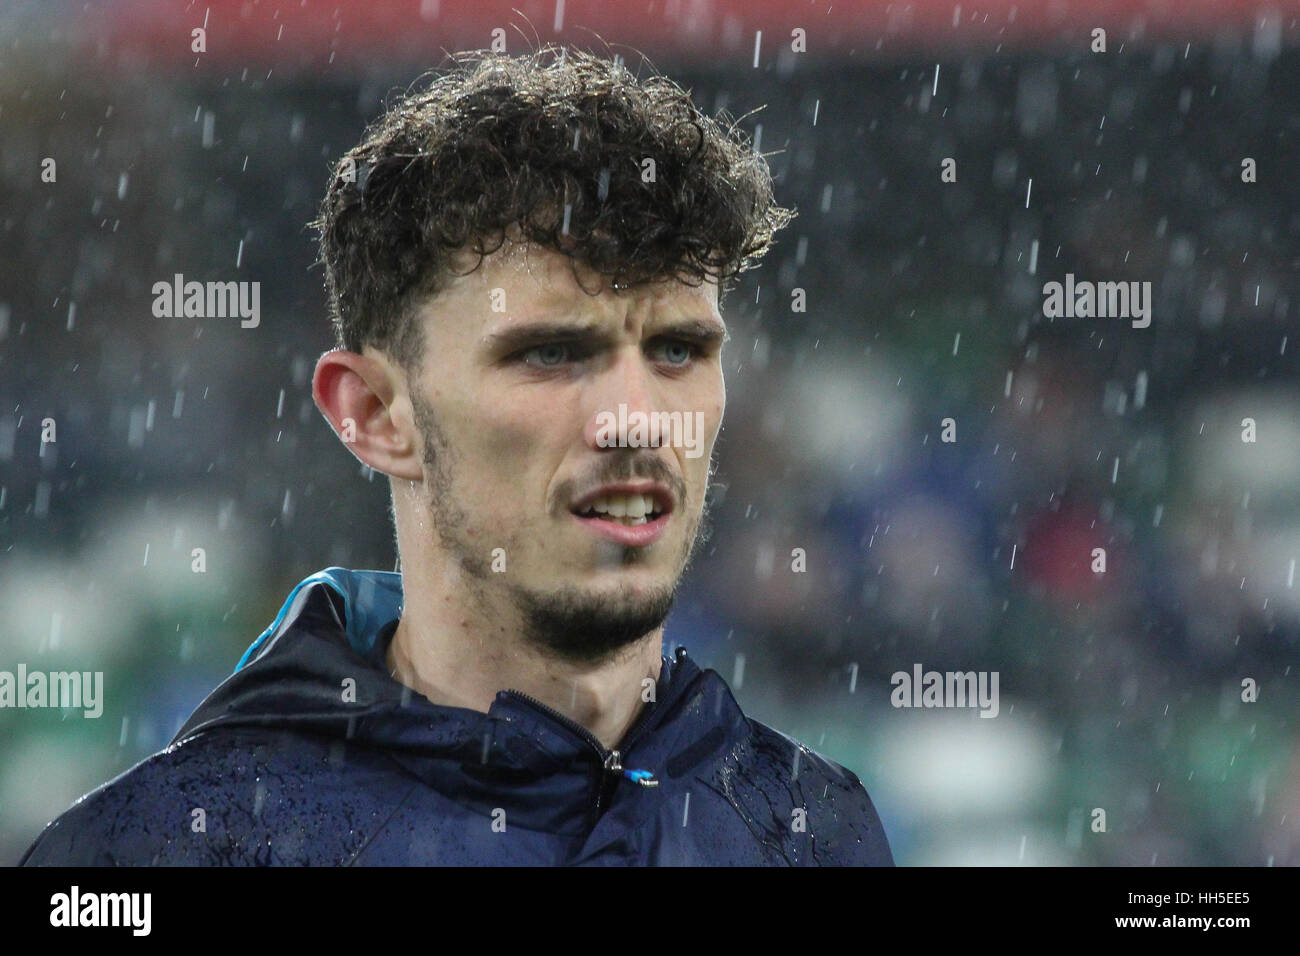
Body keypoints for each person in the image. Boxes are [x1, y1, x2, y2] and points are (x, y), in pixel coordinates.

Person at [21, 45, 893, 866]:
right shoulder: (167, 850)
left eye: (677, 351)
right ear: (374, 414)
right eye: (550, 353)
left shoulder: (812, 829)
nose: (639, 420)